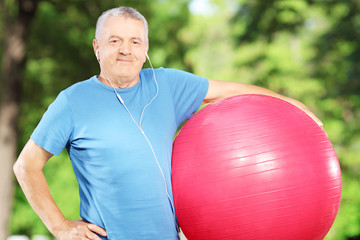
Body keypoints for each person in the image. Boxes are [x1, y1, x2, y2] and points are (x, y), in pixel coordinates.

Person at [13, 6, 322, 240]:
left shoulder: (167, 85)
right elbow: (26, 166)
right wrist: (60, 226)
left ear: (145, 49)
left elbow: (231, 90)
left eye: (135, 41)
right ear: (97, 47)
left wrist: (293, 105)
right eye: (115, 40)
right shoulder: (72, 101)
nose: (125, 49)